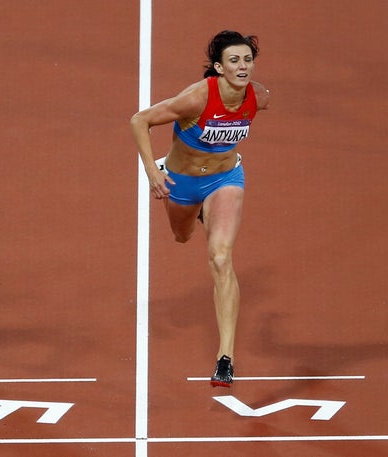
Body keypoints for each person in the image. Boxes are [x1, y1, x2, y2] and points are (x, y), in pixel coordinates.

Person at [131, 30, 270, 387]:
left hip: (225, 179)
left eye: (247, 60)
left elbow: (260, 103)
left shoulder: (258, 97)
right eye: (234, 61)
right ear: (219, 67)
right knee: (182, 235)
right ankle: (197, 212)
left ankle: (225, 358)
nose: (243, 67)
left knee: (221, 258)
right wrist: (152, 172)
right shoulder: (196, 98)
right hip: (181, 181)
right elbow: (139, 120)